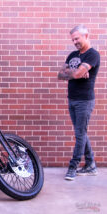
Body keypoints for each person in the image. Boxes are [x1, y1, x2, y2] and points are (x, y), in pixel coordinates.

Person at [58, 25, 100, 181]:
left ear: (86, 35)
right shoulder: (72, 55)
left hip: (85, 101)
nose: (75, 42)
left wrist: (74, 73)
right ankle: (90, 165)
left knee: (79, 134)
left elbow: (74, 73)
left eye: (77, 38)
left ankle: (73, 167)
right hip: (72, 98)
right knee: (81, 132)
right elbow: (61, 74)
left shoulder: (93, 55)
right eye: (73, 39)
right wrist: (74, 73)